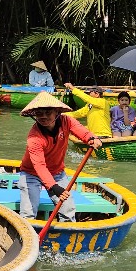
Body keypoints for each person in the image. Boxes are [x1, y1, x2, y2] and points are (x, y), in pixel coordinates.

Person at [18, 91, 101, 224]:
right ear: (34, 115)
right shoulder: (34, 138)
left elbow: (82, 131)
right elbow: (39, 166)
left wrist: (91, 138)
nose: (43, 117)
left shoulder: (66, 121)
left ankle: (66, 233)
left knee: (68, 210)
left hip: (57, 172)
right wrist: (54, 187)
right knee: (27, 214)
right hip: (31, 174)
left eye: (48, 112)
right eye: (39, 113)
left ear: (56, 112)